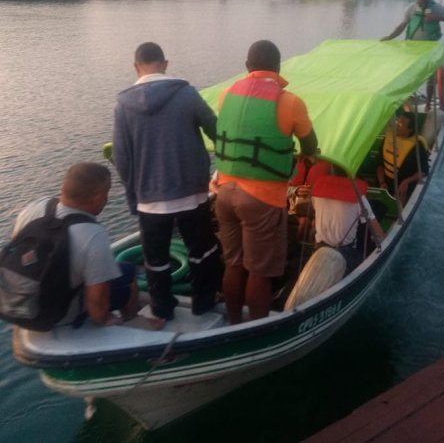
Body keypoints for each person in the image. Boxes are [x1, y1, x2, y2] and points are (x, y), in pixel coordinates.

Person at [113, 42, 222, 320]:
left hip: (149, 200)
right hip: (192, 194)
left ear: (136, 67)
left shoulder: (123, 107)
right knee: (202, 250)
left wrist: (134, 195)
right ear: (165, 64)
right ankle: (203, 302)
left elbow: (121, 158)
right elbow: (215, 130)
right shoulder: (186, 94)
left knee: (156, 260)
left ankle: (162, 308)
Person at [214, 40, 318, 324]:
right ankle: (257, 328)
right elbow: (310, 145)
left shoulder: (226, 95)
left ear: (247, 67)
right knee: (259, 271)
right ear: (278, 67)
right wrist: (306, 156)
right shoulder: (290, 102)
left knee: (233, 264)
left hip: (224, 193)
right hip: (261, 199)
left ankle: (234, 322)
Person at [11, 162, 145, 328]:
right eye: (106, 194)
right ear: (98, 197)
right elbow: (96, 300)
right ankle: (131, 319)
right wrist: (103, 319)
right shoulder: (92, 233)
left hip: (22, 303)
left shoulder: (33, 208)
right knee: (127, 271)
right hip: (60, 316)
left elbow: (17, 246)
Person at [381, 0, 444, 110]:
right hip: (412, 48)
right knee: (408, 75)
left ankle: (428, 103)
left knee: (430, 78)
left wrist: (436, 17)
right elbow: (402, 25)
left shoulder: (435, 7)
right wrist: (390, 37)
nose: (422, 3)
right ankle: (407, 99)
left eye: (425, 0)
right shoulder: (411, 8)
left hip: (429, 48)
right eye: (420, 0)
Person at [311, 171, 384, 274]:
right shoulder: (358, 195)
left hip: (319, 248)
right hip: (346, 252)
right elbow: (376, 230)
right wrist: (382, 242)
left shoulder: (317, 191)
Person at [376, 111, 430, 206]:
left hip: (404, 185)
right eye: (397, 121)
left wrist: (407, 181)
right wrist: (382, 182)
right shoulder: (388, 138)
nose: (397, 125)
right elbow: (379, 163)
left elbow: (424, 171)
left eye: (401, 124)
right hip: (384, 182)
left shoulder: (417, 147)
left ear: (410, 130)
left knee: (401, 197)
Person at [288, 155, 331, 242]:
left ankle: (305, 249)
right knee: (304, 222)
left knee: (314, 224)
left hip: (319, 209)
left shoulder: (331, 167)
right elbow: (281, 188)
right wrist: (295, 190)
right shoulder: (293, 161)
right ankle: (298, 249)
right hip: (294, 209)